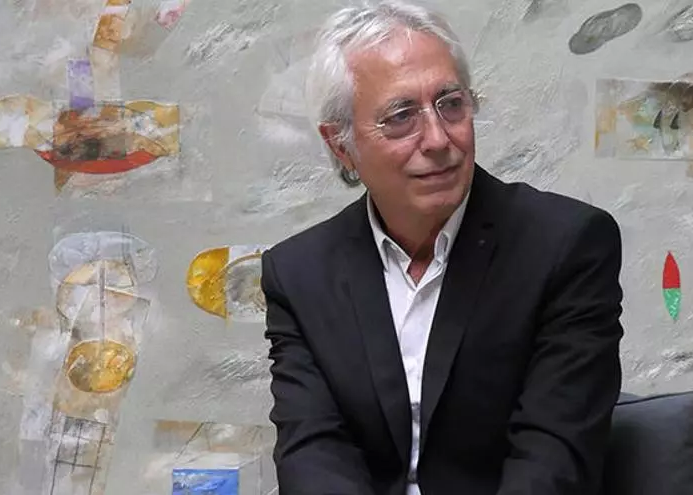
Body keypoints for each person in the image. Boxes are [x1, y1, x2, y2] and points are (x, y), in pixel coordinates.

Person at [260, 1, 624, 494]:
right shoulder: (300, 274)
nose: (437, 139)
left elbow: (554, 460)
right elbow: (313, 453)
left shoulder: (566, 246)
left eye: (451, 104)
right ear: (341, 146)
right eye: (400, 116)